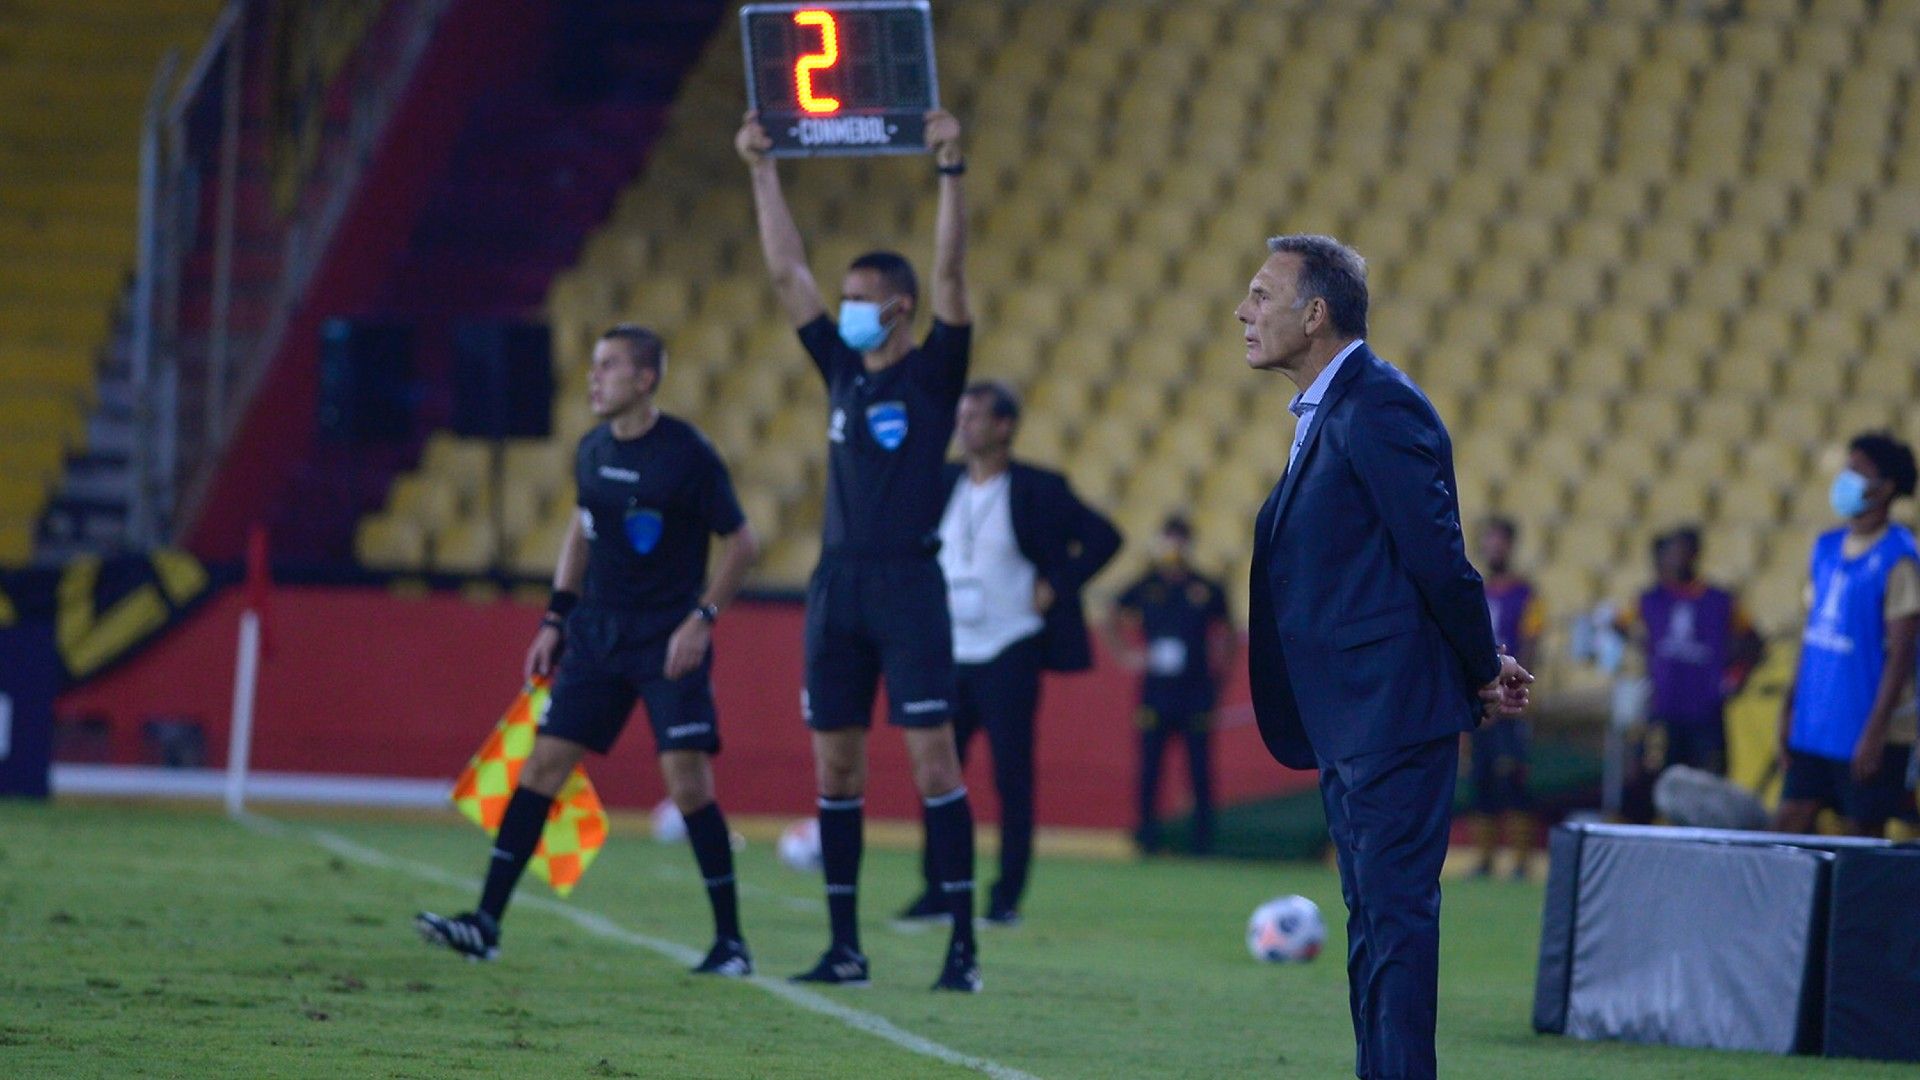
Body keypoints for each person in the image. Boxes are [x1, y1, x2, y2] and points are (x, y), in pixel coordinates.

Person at [1239, 234, 1531, 1080]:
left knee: (1395, 923)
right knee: (1373, 921)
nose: (1244, 312)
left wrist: (1481, 667)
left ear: (1316, 313)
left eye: (1262, 295)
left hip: (1390, 714)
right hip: (1354, 717)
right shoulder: (1333, 410)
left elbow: (1438, 556)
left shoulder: (1378, 406)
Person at [416, 325, 760, 974]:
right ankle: (485, 923)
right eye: (594, 366)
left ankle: (731, 943)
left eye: (607, 366)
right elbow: (582, 529)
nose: (592, 378)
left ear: (645, 379)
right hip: (598, 635)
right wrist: (555, 618)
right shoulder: (592, 449)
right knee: (543, 767)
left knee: (686, 783)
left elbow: (742, 543)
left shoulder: (687, 455)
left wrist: (703, 619)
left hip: (666, 640)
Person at [738, 107, 983, 990]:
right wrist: (763, 169)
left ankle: (962, 946)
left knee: (931, 761)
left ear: (900, 308)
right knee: (835, 766)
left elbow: (952, 267)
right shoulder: (841, 370)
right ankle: (845, 948)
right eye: (841, 297)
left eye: (858, 298)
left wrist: (949, 171)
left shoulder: (934, 372)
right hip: (837, 586)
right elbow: (783, 269)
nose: (842, 309)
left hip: (910, 584)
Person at [896, 380, 1120, 927]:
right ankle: (939, 891)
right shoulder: (942, 482)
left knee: (1011, 777)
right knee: (938, 773)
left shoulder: (1038, 488)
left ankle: (1005, 897)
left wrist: (1058, 583)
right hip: (949, 651)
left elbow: (1104, 537)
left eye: (975, 417)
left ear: (1004, 426)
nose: (963, 425)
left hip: (1009, 649)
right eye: (961, 415)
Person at [1775, 433, 1920, 838]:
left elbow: (1902, 655)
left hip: (1867, 730)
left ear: (1886, 487)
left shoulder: (1900, 558)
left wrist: (1875, 733)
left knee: (1860, 839)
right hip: (1817, 721)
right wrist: (1790, 707)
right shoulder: (1825, 548)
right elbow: (1811, 636)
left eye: (1858, 471)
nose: (1845, 478)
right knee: (1788, 825)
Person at [1103, 516, 1235, 855]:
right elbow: (1112, 613)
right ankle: (1147, 838)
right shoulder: (1146, 585)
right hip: (1155, 692)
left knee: (1200, 772)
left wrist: (1220, 675)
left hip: (1196, 692)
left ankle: (1202, 842)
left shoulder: (1205, 588)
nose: (1174, 547)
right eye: (1169, 539)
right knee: (1149, 770)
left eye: (1180, 539)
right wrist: (1127, 656)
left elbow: (1228, 633)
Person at [1614, 527, 1763, 820]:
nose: (1675, 559)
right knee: (1653, 779)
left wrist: (1738, 675)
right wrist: (1646, 647)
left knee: (1706, 784)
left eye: (1681, 551)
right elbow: (1619, 625)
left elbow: (1754, 641)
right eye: (1671, 552)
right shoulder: (1650, 599)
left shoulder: (1721, 601)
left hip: (1705, 710)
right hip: (1664, 708)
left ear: (1695, 555)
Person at [1465, 517, 1544, 878]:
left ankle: (1521, 860)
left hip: (1510, 701)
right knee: (1480, 779)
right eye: (1489, 540)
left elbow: (1531, 644)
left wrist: (1512, 690)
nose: (1494, 547)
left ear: (1510, 546)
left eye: (1500, 541)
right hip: (1480, 700)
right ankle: (1484, 859)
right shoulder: (1472, 588)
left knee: (1513, 779)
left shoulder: (1527, 595)